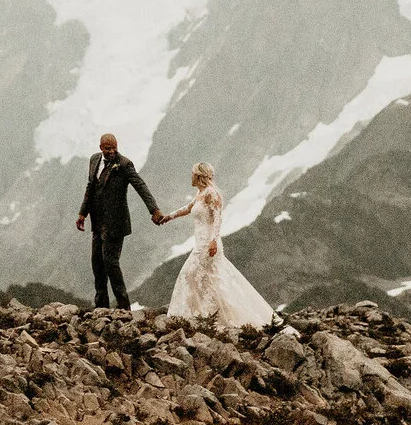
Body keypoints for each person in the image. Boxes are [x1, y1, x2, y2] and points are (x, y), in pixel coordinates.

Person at [162, 162, 275, 328]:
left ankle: (198, 316)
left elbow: (217, 218)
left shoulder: (211, 194)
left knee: (190, 274)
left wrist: (214, 240)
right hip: (200, 243)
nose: (191, 176)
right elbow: (188, 208)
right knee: (206, 280)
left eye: (193, 173)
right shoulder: (200, 194)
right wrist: (169, 217)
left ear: (199, 176)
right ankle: (206, 314)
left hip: (208, 244)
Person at [75, 131, 165, 310]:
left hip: (116, 224)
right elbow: (90, 187)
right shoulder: (94, 160)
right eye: (108, 149)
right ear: (100, 148)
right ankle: (101, 308)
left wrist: (154, 210)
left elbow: (140, 186)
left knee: (111, 263)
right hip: (98, 222)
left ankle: (123, 308)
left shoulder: (124, 164)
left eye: (114, 148)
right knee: (97, 263)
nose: (111, 152)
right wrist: (82, 213)